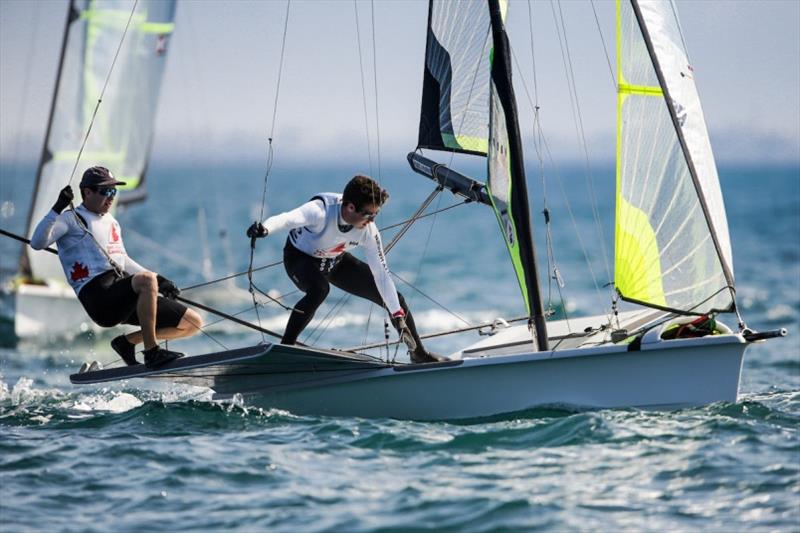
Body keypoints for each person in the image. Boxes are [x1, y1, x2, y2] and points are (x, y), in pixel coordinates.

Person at [247, 174, 442, 363]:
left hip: (335, 261)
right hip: (300, 259)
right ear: (350, 207)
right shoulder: (320, 211)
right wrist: (265, 228)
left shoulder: (368, 230)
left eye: (376, 214)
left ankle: (419, 354)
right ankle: (286, 350)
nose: (372, 220)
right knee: (319, 289)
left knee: (395, 300)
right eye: (369, 214)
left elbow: (381, 275)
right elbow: (287, 218)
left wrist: (398, 316)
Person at [30, 166, 203, 368]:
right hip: (98, 298)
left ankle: (127, 343)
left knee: (192, 322)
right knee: (146, 280)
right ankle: (152, 352)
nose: (111, 197)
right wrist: (57, 208)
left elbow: (123, 261)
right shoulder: (69, 219)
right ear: (87, 192)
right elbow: (37, 243)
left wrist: (160, 280)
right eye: (105, 191)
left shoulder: (112, 222)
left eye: (114, 191)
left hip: (120, 294)